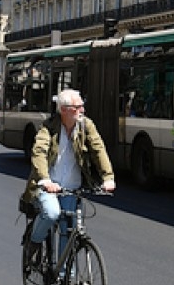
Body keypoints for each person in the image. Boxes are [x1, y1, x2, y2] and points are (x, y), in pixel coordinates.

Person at [21, 89, 116, 263]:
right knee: (51, 213)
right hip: (48, 185)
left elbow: (98, 149)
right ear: (64, 110)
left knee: (70, 232)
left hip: (72, 187)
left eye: (82, 105)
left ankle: (67, 280)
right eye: (77, 107)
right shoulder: (48, 127)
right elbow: (39, 153)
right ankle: (33, 242)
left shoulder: (86, 125)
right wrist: (45, 180)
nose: (83, 110)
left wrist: (108, 177)